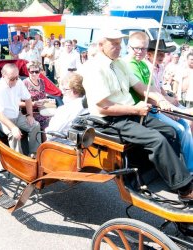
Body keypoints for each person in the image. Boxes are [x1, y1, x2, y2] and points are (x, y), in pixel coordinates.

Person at [81, 29, 193, 201]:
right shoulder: (93, 68)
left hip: (131, 111)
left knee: (171, 131)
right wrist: (136, 110)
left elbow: (141, 87)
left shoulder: (120, 64)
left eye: (120, 43)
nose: (119, 47)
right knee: (157, 140)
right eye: (114, 43)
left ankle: (168, 177)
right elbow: (103, 107)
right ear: (101, 45)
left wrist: (161, 100)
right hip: (110, 120)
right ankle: (185, 190)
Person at [125, 32, 193, 174]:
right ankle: (180, 170)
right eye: (136, 48)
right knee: (177, 130)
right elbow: (143, 92)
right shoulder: (131, 65)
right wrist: (165, 105)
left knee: (185, 124)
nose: (140, 52)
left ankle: (187, 166)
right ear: (128, 47)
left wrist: (167, 103)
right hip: (143, 110)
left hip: (153, 107)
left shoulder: (142, 65)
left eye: (143, 49)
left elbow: (155, 88)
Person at [0, 63, 41, 156]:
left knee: (35, 125)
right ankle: (19, 161)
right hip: (3, 119)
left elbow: (28, 99)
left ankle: (34, 154)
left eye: (17, 77)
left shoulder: (19, 82)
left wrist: (30, 115)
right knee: (14, 134)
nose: (15, 81)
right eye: (12, 79)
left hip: (17, 115)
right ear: (3, 75)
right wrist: (13, 127)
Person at [46, 72, 87, 137]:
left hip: (64, 142)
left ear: (75, 90)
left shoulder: (65, 109)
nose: (62, 92)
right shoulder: (89, 104)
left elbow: (50, 132)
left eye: (65, 89)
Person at [23, 61, 51, 132]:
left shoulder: (41, 81)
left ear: (40, 71)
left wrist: (47, 101)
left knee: (56, 118)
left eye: (37, 71)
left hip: (42, 109)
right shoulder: (24, 83)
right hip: (30, 112)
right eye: (32, 72)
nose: (34, 74)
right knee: (46, 122)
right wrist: (32, 104)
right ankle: (46, 142)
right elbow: (17, 103)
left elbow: (44, 97)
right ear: (28, 71)